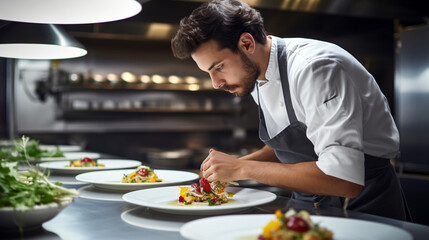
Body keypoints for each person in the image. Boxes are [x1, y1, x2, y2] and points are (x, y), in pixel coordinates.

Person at [171, 0, 410, 220]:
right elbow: (295, 146)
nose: (216, 83)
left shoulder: (314, 69)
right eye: (209, 73)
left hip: (362, 206)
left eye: (219, 67)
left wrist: (243, 168)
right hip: (306, 204)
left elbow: (343, 178)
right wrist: (229, 168)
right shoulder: (255, 74)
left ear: (247, 43)